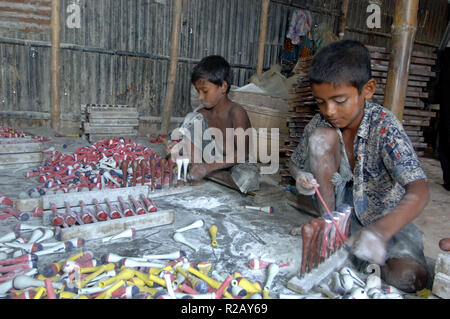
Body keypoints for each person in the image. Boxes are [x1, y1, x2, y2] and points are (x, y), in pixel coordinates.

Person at [288, 40, 430, 293]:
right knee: (322, 138)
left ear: (368, 89)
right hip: (341, 217)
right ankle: (329, 231)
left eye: (339, 100)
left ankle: (357, 255)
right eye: (321, 102)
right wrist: (301, 176)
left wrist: (379, 232)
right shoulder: (319, 122)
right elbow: (295, 163)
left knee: (409, 277)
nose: (329, 111)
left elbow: (419, 190)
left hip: (387, 220)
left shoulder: (384, 126)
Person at [165, 55, 260, 194]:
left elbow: (242, 153)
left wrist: (207, 168)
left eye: (205, 91)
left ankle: (203, 172)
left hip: (235, 162)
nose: (200, 97)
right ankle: (200, 169)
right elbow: (190, 140)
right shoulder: (202, 114)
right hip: (212, 159)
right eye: (198, 91)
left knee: (248, 179)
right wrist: (176, 147)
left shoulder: (236, 112)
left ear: (223, 86)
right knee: (193, 118)